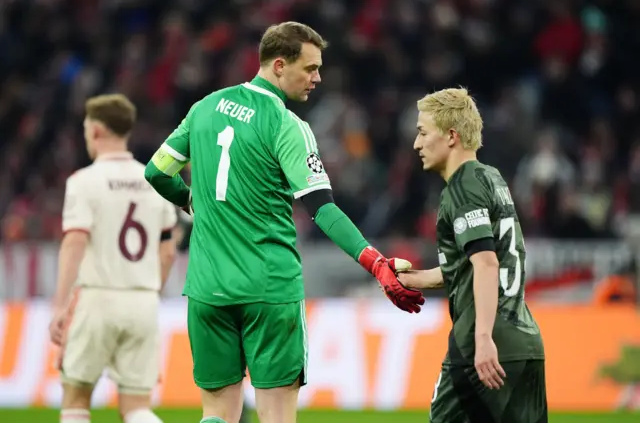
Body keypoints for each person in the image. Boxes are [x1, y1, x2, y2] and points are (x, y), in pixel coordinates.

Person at [143, 21, 425, 423]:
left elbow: (156, 172)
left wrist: (192, 201)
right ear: (279, 65)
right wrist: (375, 262)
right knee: (276, 415)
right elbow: (323, 209)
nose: (318, 77)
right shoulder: (287, 126)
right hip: (268, 290)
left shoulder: (203, 108)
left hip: (207, 289)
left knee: (217, 414)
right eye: (309, 68)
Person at [398, 88, 548, 423]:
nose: (416, 144)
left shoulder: (463, 188)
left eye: (422, 133)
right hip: (526, 343)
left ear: (451, 136)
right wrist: (416, 279)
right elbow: (476, 260)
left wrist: (482, 339)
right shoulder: (490, 178)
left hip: (483, 343)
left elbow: (486, 263)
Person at [49, 94, 178, 423]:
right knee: (137, 407)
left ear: (95, 131)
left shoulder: (83, 182)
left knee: (76, 398)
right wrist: (151, 290)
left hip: (97, 298)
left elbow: (75, 241)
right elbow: (167, 250)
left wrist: (60, 305)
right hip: (143, 302)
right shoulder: (154, 181)